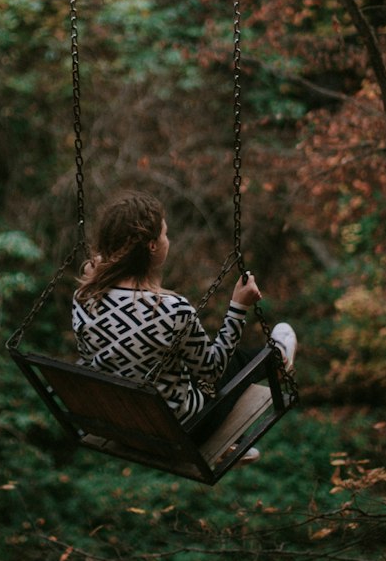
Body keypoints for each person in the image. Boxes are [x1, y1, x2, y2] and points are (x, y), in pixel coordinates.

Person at [72, 191, 295, 458]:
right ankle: (278, 356)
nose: (169, 239)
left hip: (121, 424)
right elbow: (212, 371)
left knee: (174, 362)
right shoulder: (172, 309)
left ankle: (273, 364)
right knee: (232, 363)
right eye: (165, 234)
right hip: (179, 432)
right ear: (152, 246)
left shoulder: (84, 297)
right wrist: (238, 307)